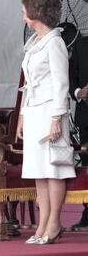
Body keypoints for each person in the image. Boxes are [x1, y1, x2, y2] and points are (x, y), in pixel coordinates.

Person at [17, 0, 76, 244]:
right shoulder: (34, 42)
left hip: (51, 111)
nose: (22, 17)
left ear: (35, 13)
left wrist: (56, 119)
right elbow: (28, 83)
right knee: (38, 170)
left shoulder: (55, 41)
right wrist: (21, 115)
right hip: (34, 111)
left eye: (23, 12)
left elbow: (62, 83)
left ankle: (53, 224)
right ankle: (41, 225)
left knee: (54, 169)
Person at [70, 36, 88, 230]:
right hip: (86, 115)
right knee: (86, 165)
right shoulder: (81, 44)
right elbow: (72, 77)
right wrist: (77, 92)